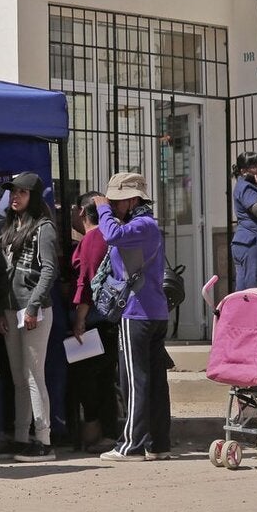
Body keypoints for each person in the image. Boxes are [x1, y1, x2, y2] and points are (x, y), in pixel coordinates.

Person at [95, 171, 172, 462]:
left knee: (134, 380)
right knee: (153, 380)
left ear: (133, 199)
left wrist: (102, 208)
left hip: (137, 313)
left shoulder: (142, 225)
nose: (113, 206)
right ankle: (158, 443)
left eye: (117, 201)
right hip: (152, 311)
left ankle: (131, 445)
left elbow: (111, 234)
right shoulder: (144, 225)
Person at [0, 171, 59, 462]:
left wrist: (32, 307)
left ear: (33, 196)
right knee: (18, 377)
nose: (15, 197)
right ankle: (20, 437)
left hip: (33, 310)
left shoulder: (43, 228)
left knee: (33, 375)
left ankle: (43, 440)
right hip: (9, 310)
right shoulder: (7, 227)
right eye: (13, 192)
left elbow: (49, 270)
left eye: (22, 192)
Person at [67, 191, 119, 452]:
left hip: (93, 322)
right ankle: (103, 431)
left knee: (92, 380)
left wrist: (79, 320)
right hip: (106, 320)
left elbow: (85, 284)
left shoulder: (93, 239)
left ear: (80, 212)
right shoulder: (108, 236)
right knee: (102, 379)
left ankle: (101, 432)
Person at [231, 151, 257, 292]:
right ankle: (253, 315)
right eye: (255, 166)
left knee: (244, 290)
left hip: (246, 242)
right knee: (255, 289)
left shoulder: (245, 185)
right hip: (251, 243)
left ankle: (241, 314)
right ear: (243, 170)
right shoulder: (246, 187)